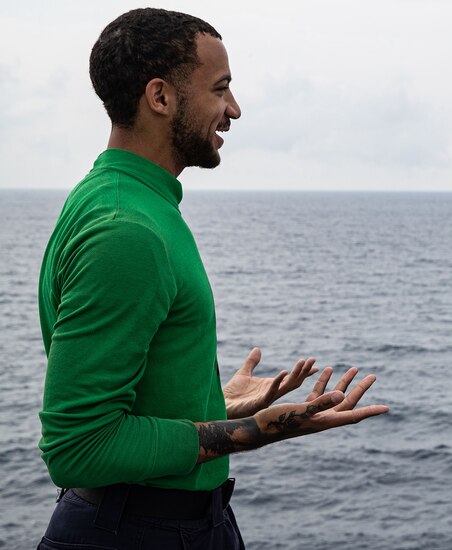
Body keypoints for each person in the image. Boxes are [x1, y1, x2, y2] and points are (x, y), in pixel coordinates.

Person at [37, 8, 388, 549]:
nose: (234, 109)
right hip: (135, 531)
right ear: (160, 97)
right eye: (220, 89)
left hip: (163, 522)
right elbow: (78, 446)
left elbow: (132, 404)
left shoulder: (128, 199)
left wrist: (215, 407)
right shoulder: (127, 230)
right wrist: (262, 428)